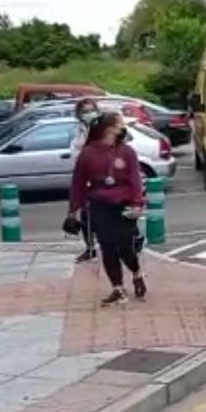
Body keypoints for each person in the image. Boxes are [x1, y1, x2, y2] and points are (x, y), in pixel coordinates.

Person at [69, 112, 147, 305]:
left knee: (125, 246)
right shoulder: (88, 154)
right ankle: (117, 288)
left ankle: (136, 272)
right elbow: (78, 183)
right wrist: (74, 209)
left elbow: (135, 180)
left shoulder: (127, 151)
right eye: (119, 123)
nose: (123, 126)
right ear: (109, 127)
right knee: (107, 247)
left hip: (124, 205)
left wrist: (138, 203)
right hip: (99, 205)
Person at [72, 98, 101, 263]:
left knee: (109, 212)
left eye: (91, 110)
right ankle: (90, 248)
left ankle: (132, 239)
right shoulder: (79, 129)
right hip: (85, 176)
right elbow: (75, 149)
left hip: (102, 176)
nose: (89, 114)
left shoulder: (102, 127)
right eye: (85, 111)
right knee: (85, 215)